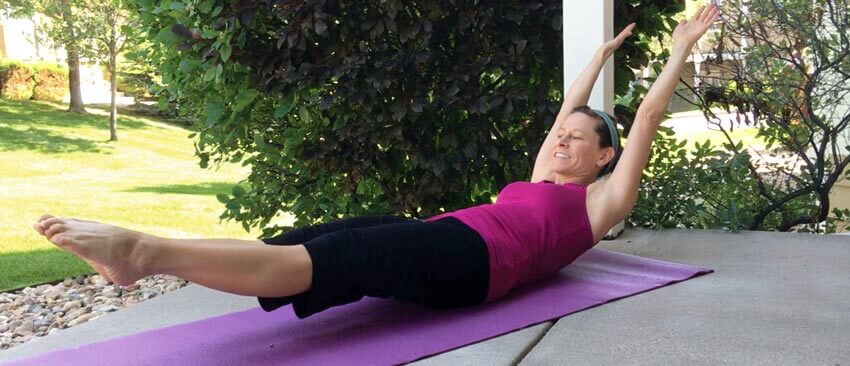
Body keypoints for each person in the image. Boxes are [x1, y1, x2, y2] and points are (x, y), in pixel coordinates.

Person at [32, 6, 718, 319]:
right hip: (448, 232)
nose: (562, 141)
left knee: (343, 255)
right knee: (319, 237)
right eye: (559, 134)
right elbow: (564, 111)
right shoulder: (543, 175)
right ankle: (160, 254)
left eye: (579, 138)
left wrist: (680, 47)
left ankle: (140, 251)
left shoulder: (598, 204)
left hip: (473, 265)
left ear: (606, 156)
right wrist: (595, 61)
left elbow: (649, 118)